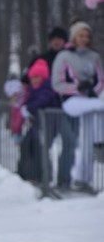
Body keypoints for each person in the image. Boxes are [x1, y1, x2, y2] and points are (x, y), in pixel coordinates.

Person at [52, 20, 104, 194]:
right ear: (74, 37)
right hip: (71, 101)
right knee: (71, 143)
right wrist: (76, 88)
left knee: (86, 141)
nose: (84, 39)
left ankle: (84, 177)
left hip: (89, 102)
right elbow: (57, 83)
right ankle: (64, 179)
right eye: (81, 35)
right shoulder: (64, 56)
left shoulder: (94, 57)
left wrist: (92, 89)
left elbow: (100, 80)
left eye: (87, 36)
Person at [17, 59, 61, 183]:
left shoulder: (48, 87)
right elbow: (30, 100)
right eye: (32, 77)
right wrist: (25, 107)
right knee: (27, 145)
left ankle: (44, 175)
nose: (34, 80)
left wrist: (29, 108)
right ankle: (27, 173)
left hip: (49, 123)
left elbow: (43, 100)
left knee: (41, 148)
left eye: (37, 77)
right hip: (36, 123)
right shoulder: (33, 90)